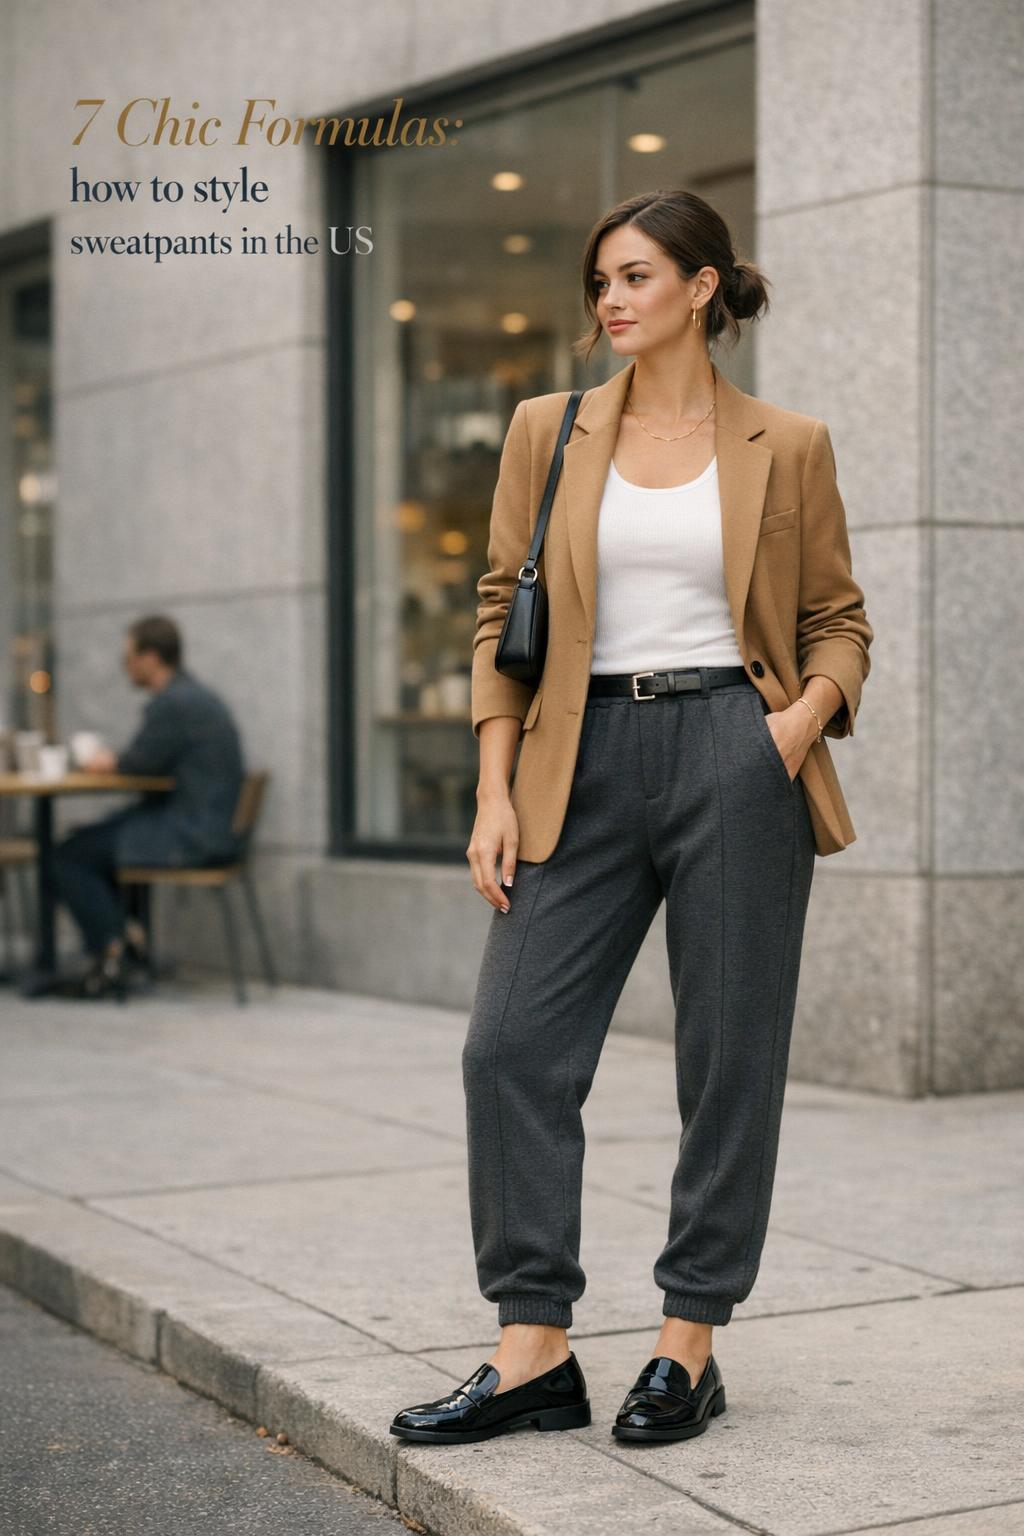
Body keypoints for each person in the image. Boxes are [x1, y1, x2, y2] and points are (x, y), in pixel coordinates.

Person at [390, 189, 874, 1448]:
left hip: (735, 747)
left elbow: (837, 615)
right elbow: (501, 611)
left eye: (637, 276)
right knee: (509, 1047)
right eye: (600, 279)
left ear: (703, 288)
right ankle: (532, 1346)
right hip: (577, 757)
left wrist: (801, 715)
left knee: (728, 1061)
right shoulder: (546, 431)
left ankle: (687, 1341)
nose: (609, 299)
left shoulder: (789, 443)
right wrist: (494, 788)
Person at [51, 615, 245, 1000]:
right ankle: (124, 943)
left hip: (190, 833)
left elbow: (138, 764)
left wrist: (107, 763)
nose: (126, 668)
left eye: (128, 659)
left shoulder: (175, 702)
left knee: (69, 855)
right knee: (88, 843)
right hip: (202, 825)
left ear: (150, 658)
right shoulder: (190, 696)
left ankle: (111, 952)